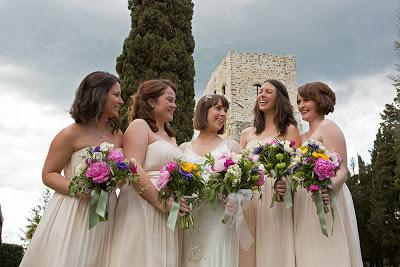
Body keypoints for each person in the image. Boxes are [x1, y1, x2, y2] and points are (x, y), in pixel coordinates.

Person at [19, 71, 123, 267]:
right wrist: (78, 188)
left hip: (107, 212)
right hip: (74, 211)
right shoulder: (70, 134)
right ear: (99, 95)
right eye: (116, 95)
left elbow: (121, 174)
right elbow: (48, 174)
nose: (122, 101)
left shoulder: (118, 135)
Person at [109, 79, 189, 267]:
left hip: (168, 208)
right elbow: (133, 166)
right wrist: (160, 202)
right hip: (142, 203)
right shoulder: (139, 125)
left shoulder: (171, 136)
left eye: (174, 101)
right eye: (169, 100)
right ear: (152, 101)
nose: (174, 105)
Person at [294, 82, 363, 267]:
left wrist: (328, 189)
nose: (301, 105)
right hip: (304, 201)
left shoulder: (328, 127)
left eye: (306, 100)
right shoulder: (301, 136)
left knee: (328, 250)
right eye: (299, 101)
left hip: (327, 197)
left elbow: (342, 169)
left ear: (320, 101)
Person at [239, 79, 301, 267]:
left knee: (274, 251)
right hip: (250, 199)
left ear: (279, 98)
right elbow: (241, 168)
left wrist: (287, 183)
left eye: (268, 92)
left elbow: (297, 168)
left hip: (277, 198)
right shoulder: (246, 133)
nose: (262, 95)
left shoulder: (289, 130)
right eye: (261, 91)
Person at [179, 94, 241, 267]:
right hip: (192, 220)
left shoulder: (231, 146)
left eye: (226, 110)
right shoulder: (184, 148)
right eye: (218, 108)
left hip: (220, 219)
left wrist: (234, 198)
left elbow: (243, 187)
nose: (223, 114)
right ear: (203, 111)